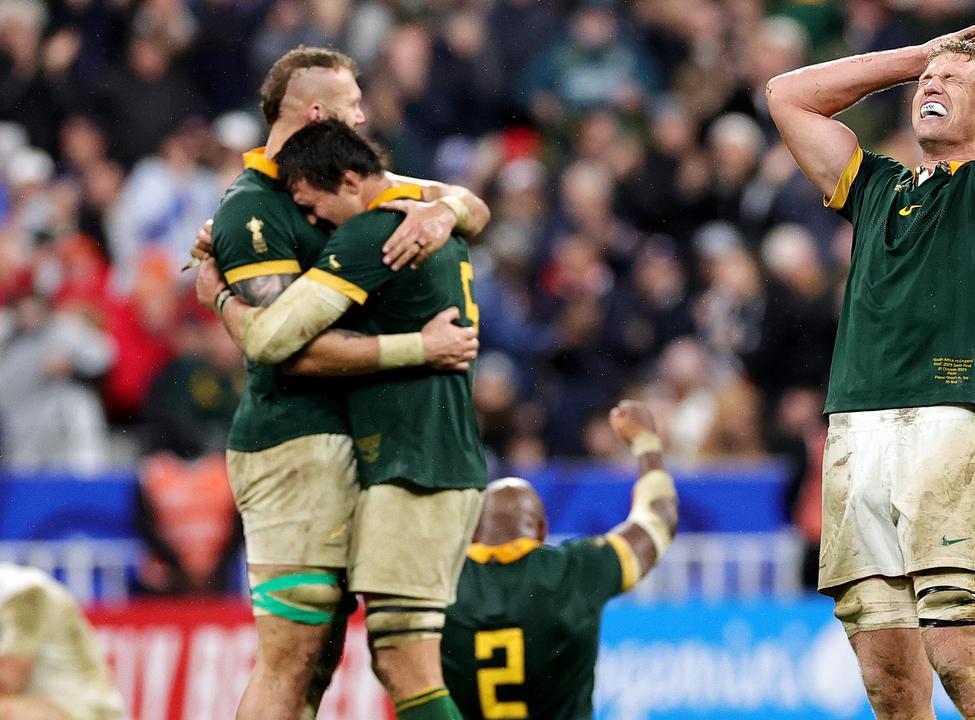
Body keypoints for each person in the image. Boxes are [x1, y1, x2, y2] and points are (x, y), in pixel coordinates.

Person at [767, 23, 975, 720]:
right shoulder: (875, 187)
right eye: (928, 82)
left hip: (944, 420)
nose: (932, 86)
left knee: (963, 662)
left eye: (953, 83)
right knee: (889, 682)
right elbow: (786, 96)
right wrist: (919, 58)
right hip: (854, 429)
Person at [196, 47, 487, 720]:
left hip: (364, 444)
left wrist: (442, 212)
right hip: (293, 443)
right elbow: (277, 348)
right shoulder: (255, 211)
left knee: (327, 658)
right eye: (354, 105)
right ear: (320, 113)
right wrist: (421, 347)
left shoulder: (355, 193)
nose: (365, 115)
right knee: (293, 657)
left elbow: (467, 200)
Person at [440, 400, 678, 720]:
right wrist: (647, 442)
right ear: (541, 529)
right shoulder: (577, 569)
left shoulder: (439, 581)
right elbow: (658, 521)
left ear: (471, 533)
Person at [0, 563, 123, 720]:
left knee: (6, 713)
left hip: (85, 711)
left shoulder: (23, 592)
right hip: (45, 704)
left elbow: (6, 681)